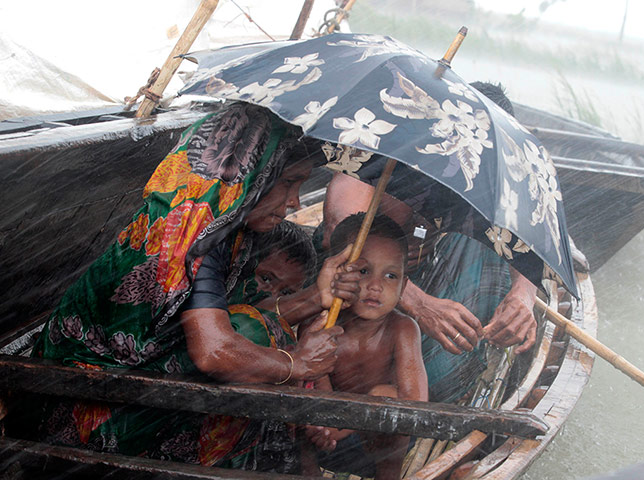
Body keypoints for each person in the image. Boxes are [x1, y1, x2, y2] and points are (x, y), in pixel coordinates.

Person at [22, 103, 364, 473]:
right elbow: (214, 352)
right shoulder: (188, 231)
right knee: (258, 345)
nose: (295, 202)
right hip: (83, 406)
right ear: (250, 172)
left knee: (259, 339)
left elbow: (224, 320)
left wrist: (316, 297)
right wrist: (298, 364)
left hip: (130, 389)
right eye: (287, 182)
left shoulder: (224, 231)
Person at [320, 81, 538, 402]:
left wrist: (523, 296)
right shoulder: (386, 153)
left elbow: (524, 236)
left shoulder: (479, 175)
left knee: (487, 245)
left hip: (413, 281)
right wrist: (422, 305)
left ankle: (454, 367)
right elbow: (343, 228)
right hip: (350, 286)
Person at [303, 213, 428, 480]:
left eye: (391, 275)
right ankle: (307, 474)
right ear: (336, 271)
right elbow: (320, 399)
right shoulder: (319, 327)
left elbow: (417, 403)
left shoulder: (402, 329)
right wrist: (323, 427)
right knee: (297, 412)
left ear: (404, 285)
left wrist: (367, 408)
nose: (375, 286)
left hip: (379, 439)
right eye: (363, 271)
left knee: (389, 400)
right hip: (327, 433)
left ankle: (388, 476)